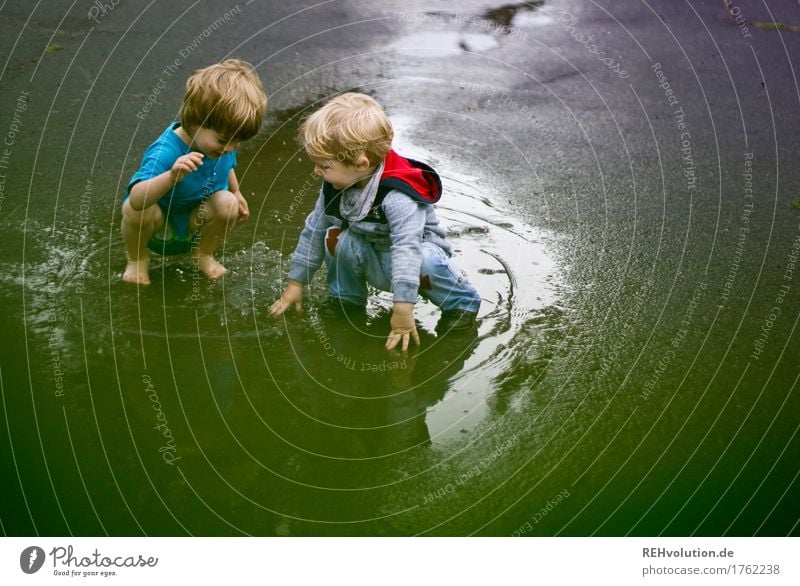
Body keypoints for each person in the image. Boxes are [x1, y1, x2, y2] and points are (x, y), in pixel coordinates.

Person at [269, 92, 481, 350]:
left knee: (426, 258)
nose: (316, 172)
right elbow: (314, 229)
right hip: (375, 255)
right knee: (335, 238)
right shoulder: (336, 185)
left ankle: (460, 304)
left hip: (414, 263)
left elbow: (407, 248)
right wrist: (295, 283)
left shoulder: (397, 195)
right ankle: (345, 301)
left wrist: (403, 308)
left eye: (324, 166)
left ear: (360, 164)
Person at [121, 59, 267, 285]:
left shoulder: (219, 145)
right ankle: (137, 259)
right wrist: (171, 177)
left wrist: (237, 193)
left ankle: (203, 254)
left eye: (236, 143)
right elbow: (137, 200)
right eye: (223, 141)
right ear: (196, 121)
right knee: (135, 210)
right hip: (160, 229)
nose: (229, 149)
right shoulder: (166, 151)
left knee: (228, 202)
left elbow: (227, 166)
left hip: (191, 225)